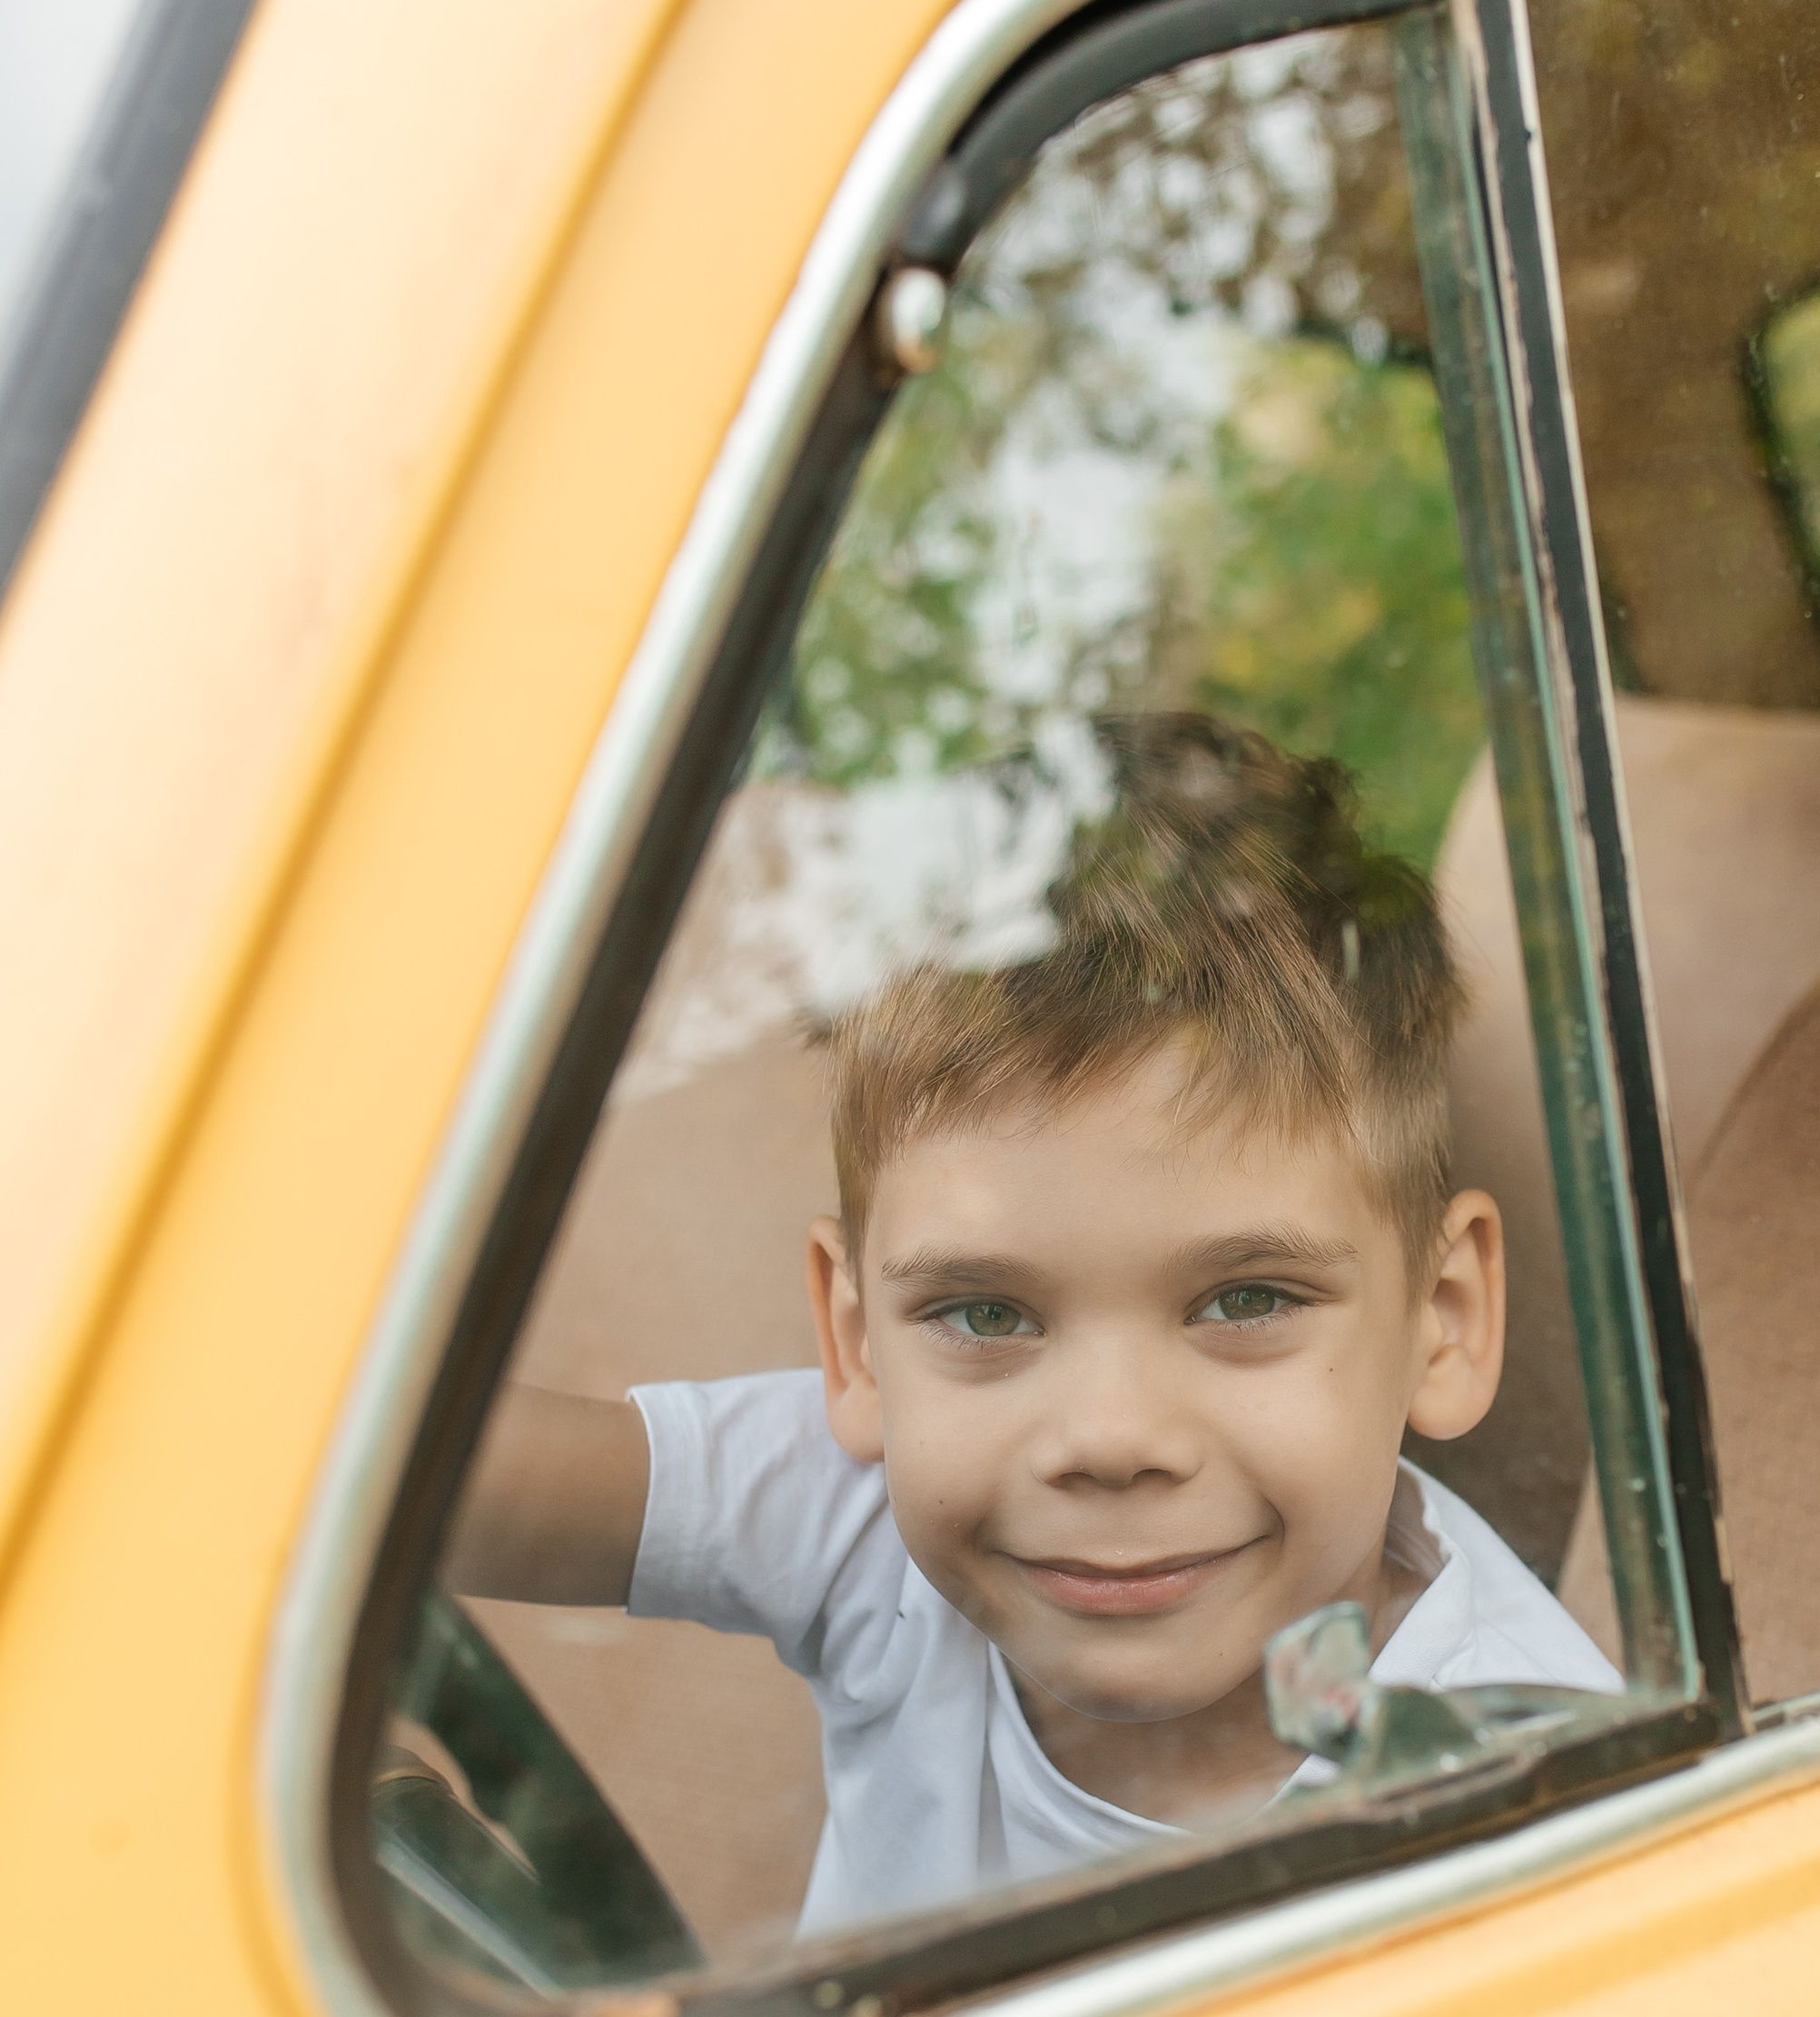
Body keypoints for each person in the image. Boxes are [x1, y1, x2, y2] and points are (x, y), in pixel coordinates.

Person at [447, 715, 1618, 1932]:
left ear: (1444, 1318)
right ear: (857, 1344)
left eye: (1246, 1300)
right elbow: (384, 1491)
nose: (1109, 1439)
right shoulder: (867, 1525)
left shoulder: (1523, 1799)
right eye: (986, 1313)